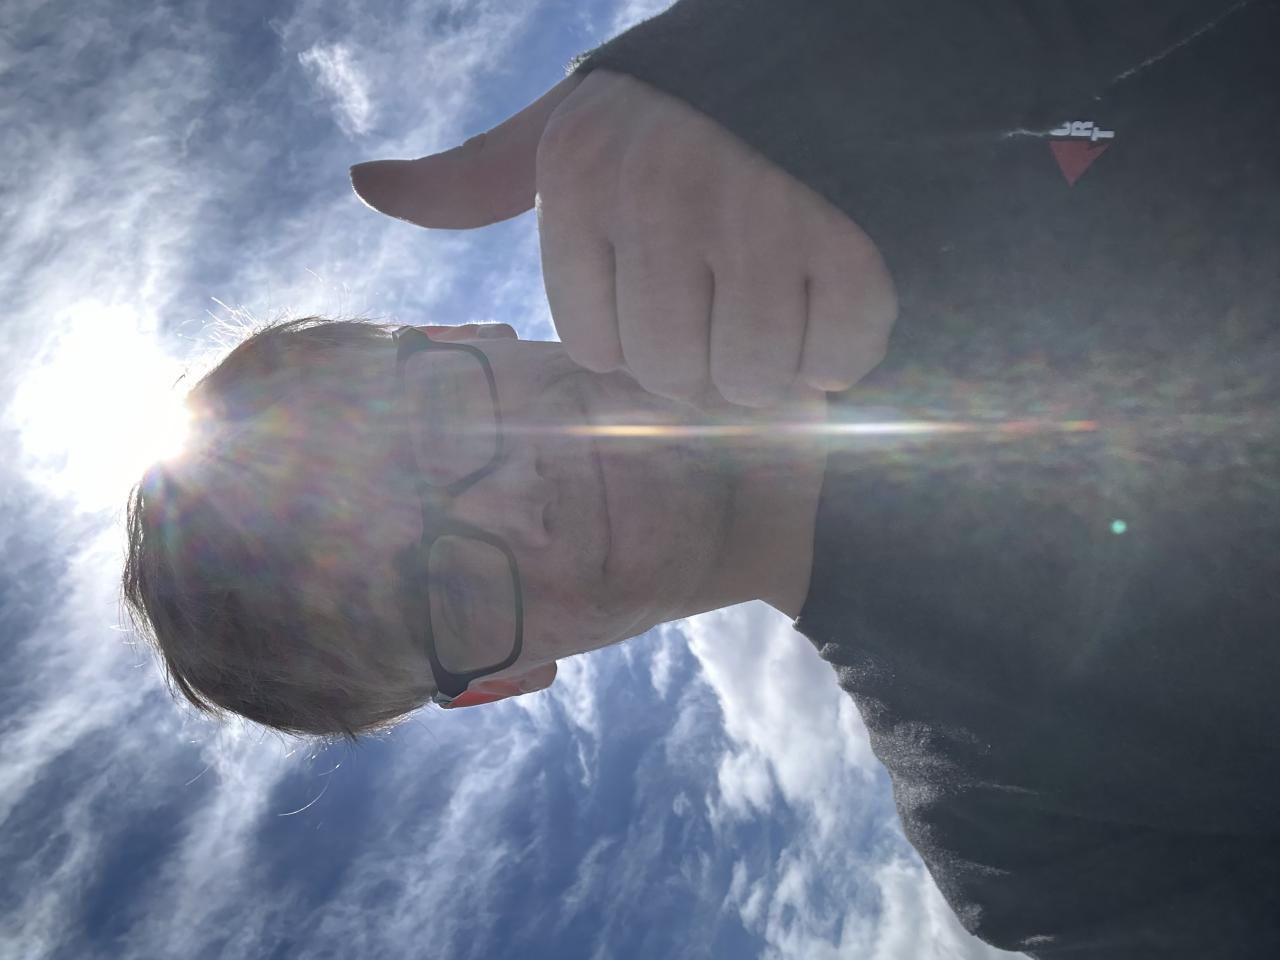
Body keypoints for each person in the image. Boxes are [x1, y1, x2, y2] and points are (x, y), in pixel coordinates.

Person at [124, 0, 1280, 956]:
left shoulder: (851, 124)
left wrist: (813, 43)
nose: (511, 500)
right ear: (502, 680)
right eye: (448, 590)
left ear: (462, 333)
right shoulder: (1032, 850)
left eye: (428, 432)